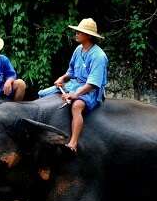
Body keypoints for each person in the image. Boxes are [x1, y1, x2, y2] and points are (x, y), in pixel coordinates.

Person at [38, 18, 108, 152]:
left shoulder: (98, 56)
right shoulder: (78, 49)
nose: (76, 34)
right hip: (74, 84)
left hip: (90, 90)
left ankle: (73, 143)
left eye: (79, 32)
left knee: (76, 106)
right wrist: (62, 78)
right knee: (43, 94)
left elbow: (93, 84)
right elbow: (71, 71)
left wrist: (75, 95)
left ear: (88, 35)